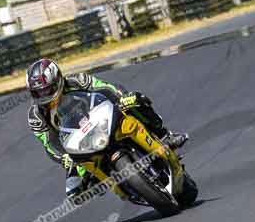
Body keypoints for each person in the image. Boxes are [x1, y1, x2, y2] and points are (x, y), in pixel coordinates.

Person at [26, 58, 188, 199]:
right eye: (38, 93)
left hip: (102, 118)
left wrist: (122, 98)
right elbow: (49, 144)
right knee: (74, 190)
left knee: (136, 101)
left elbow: (106, 88)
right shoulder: (36, 116)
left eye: (46, 89)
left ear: (58, 80)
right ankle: (102, 180)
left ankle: (164, 134)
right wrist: (64, 158)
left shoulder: (78, 81)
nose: (43, 95)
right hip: (76, 143)